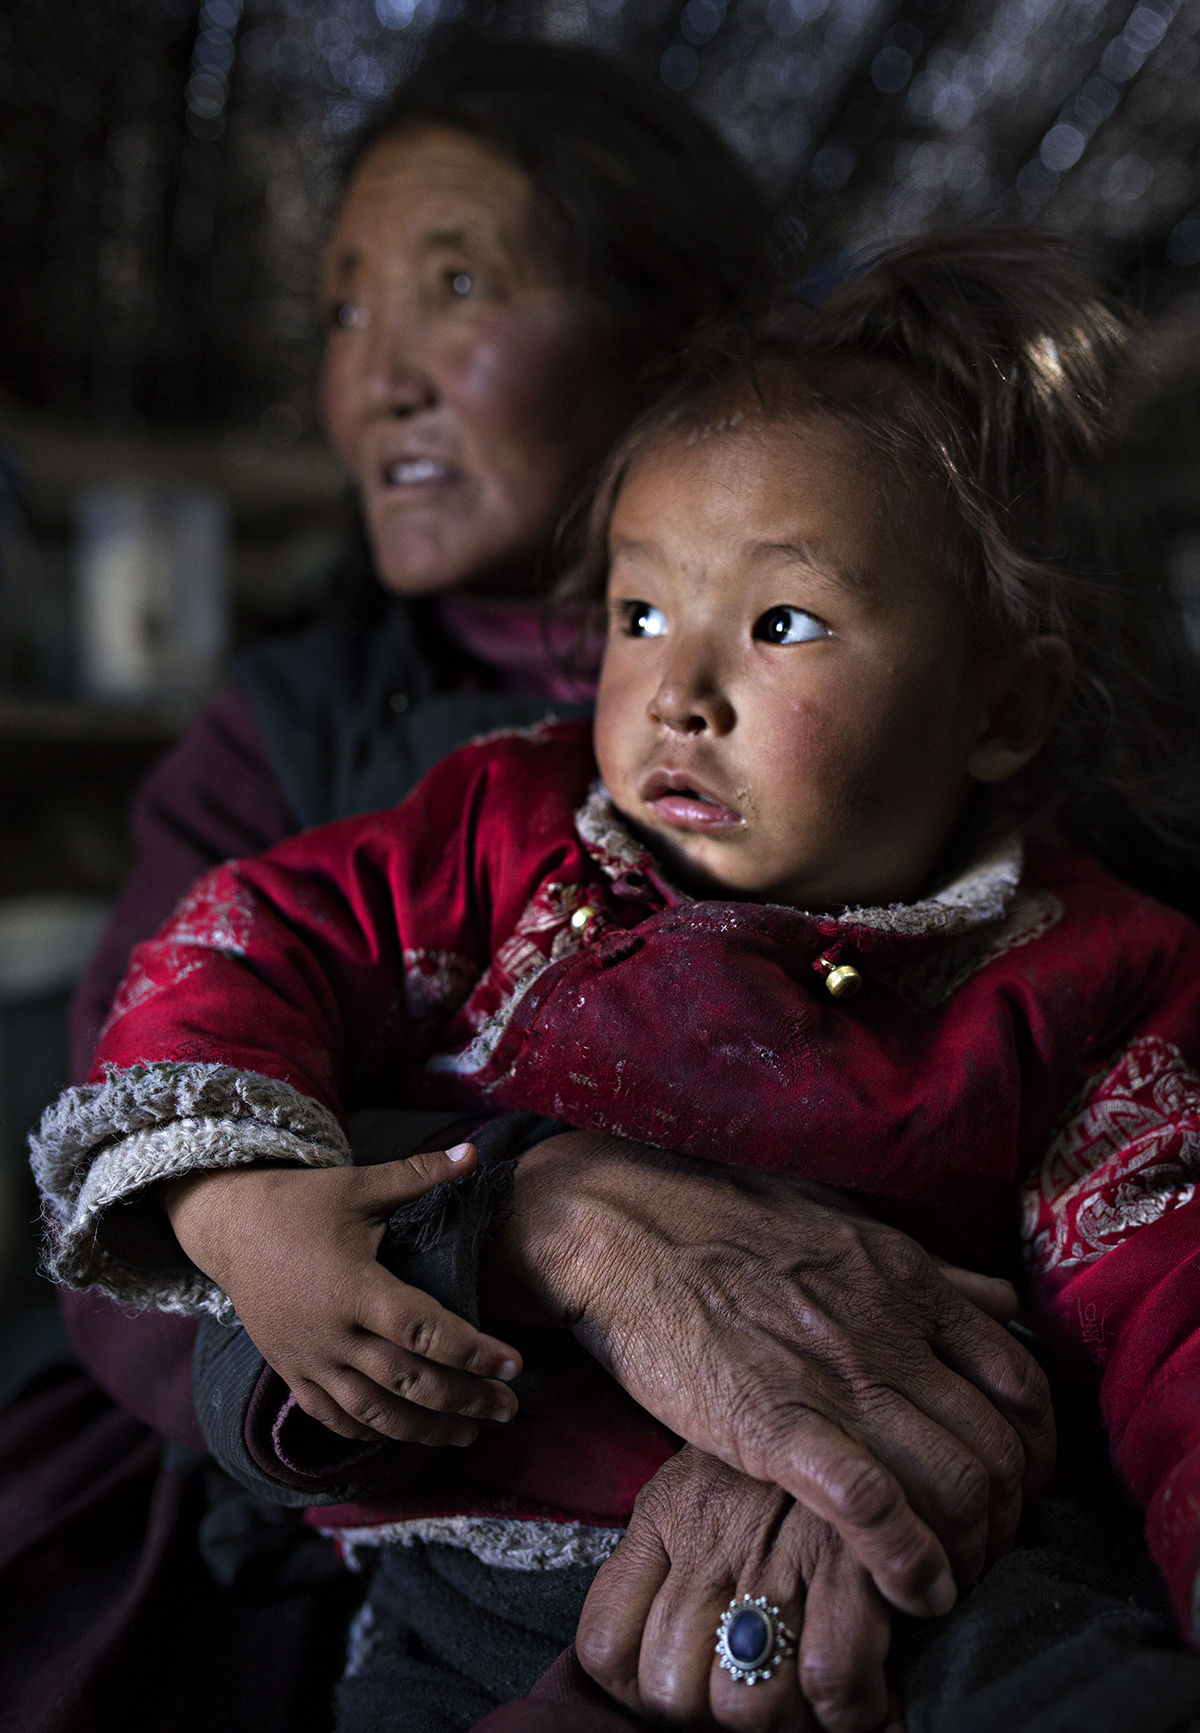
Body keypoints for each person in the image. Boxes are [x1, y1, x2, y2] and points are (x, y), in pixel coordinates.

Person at [32, 232, 1200, 1731]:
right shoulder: (500, 835)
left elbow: (1169, 1302)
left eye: (782, 624)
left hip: (926, 1558)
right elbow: (248, 940)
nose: (679, 690)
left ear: (1003, 705)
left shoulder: (1090, 974)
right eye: (643, 615)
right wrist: (243, 1197)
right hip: (480, 1553)